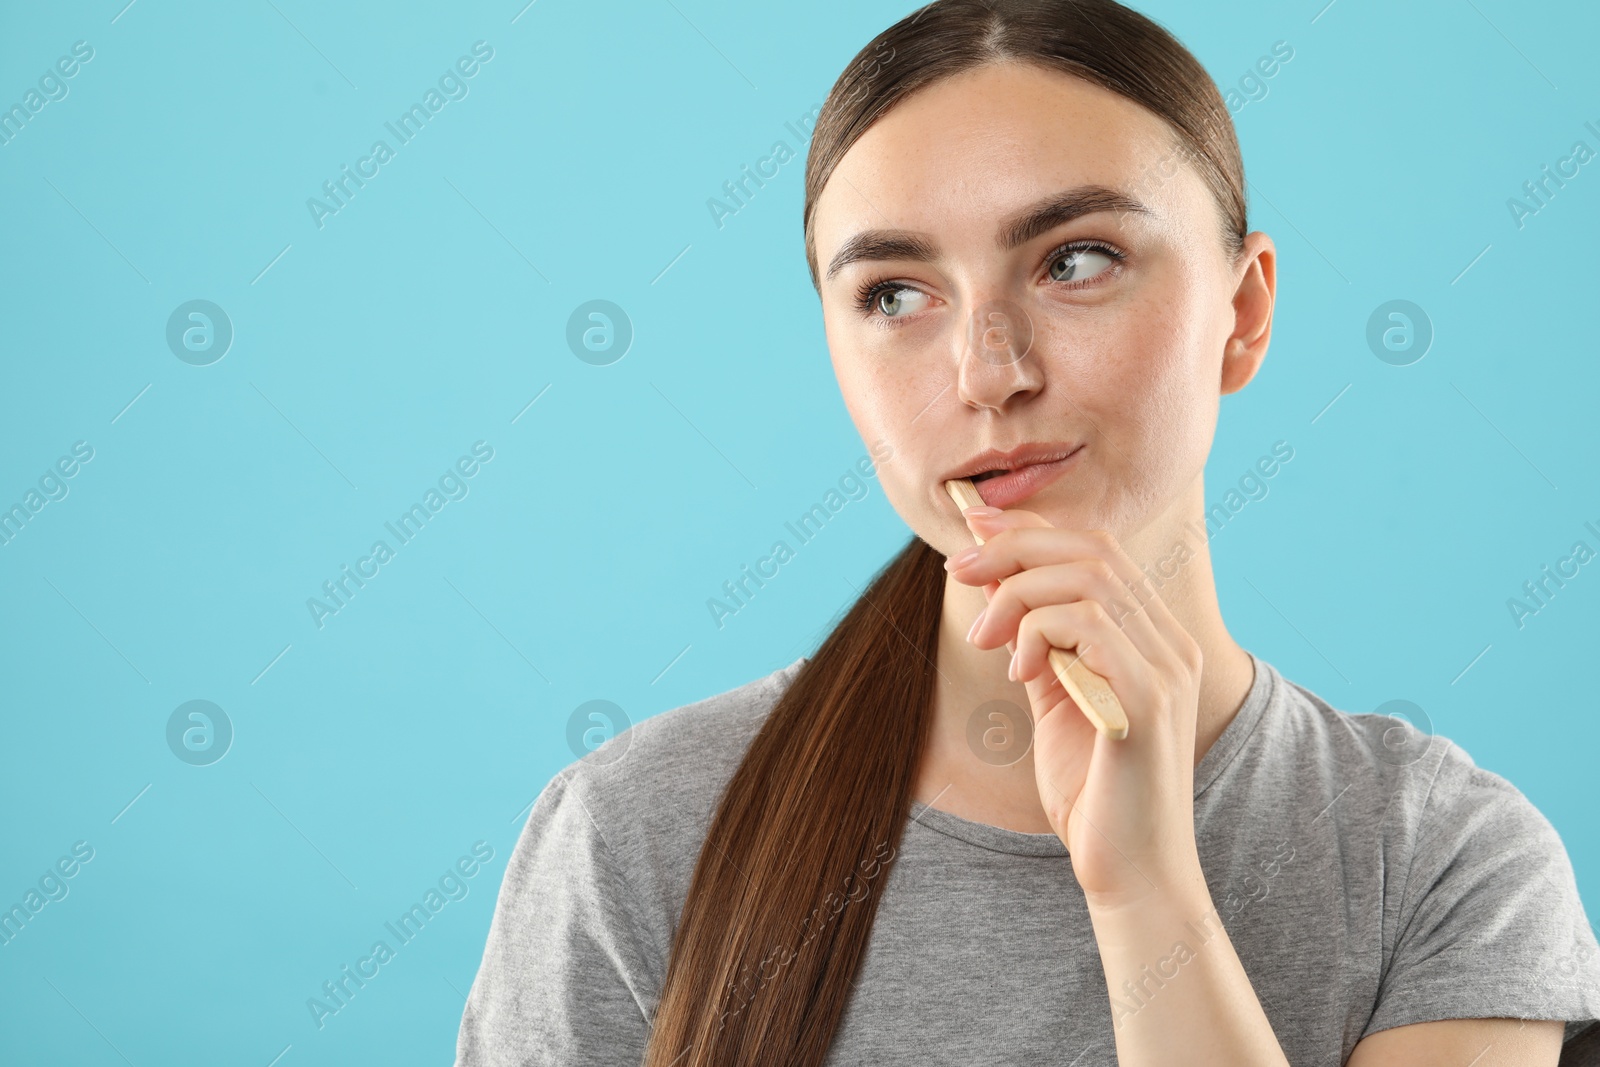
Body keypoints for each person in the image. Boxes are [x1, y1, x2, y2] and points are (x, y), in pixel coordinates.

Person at [454, 1, 1600, 1063]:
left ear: (1242, 315)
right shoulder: (633, 835)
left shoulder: (1445, 860)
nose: (989, 373)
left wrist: (1145, 878)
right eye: (894, 294)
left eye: (1076, 260)